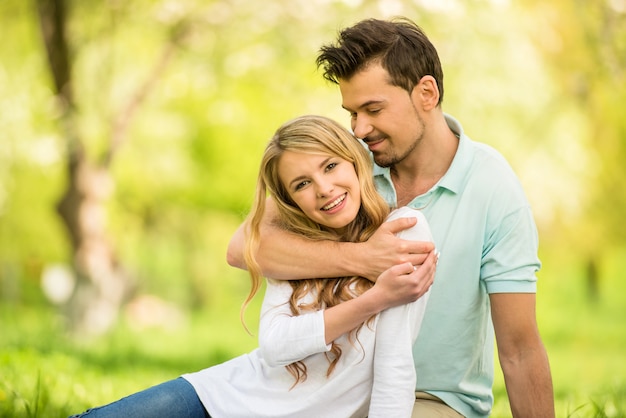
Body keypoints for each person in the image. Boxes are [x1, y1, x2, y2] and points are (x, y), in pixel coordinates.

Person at [227, 17, 555, 418]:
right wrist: (361, 258)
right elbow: (243, 247)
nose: (360, 128)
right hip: (324, 392)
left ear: (426, 93)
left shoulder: (492, 187)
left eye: (373, 109)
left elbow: (520, 349)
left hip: (429, 399)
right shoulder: (344, 167)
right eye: (351, 112)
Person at [69, 115, 438, 418]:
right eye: (302, 183)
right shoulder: (295, 245)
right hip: (218, 397)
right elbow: (276, 346)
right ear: (290, 200)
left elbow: (395, 368)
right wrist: (374, 300)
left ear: (355, 161)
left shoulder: (405, 231)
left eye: (330, 166)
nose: (324, 188)